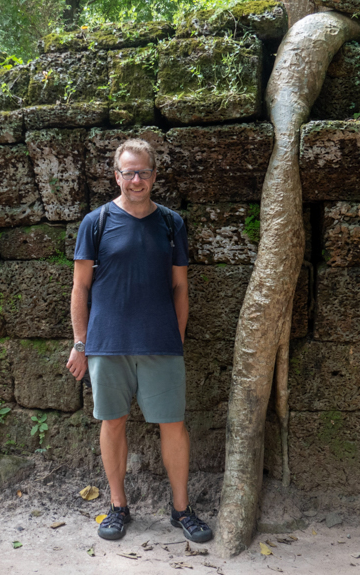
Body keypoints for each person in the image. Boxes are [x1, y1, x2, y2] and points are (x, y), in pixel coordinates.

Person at [66, 138, 213, 544]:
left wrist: (176, 335)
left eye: (143, 172)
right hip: (107, 344)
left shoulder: (171, 223)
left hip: (161, 343)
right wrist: (81, 343)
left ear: (153, 175)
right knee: (112, 423)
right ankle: (117, 506)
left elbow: (181, 286)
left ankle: (181, 510)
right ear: (116, 176)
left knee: (174, 425)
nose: (136, 179)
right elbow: (80, 287)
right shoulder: (95, 222)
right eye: (128, 172)